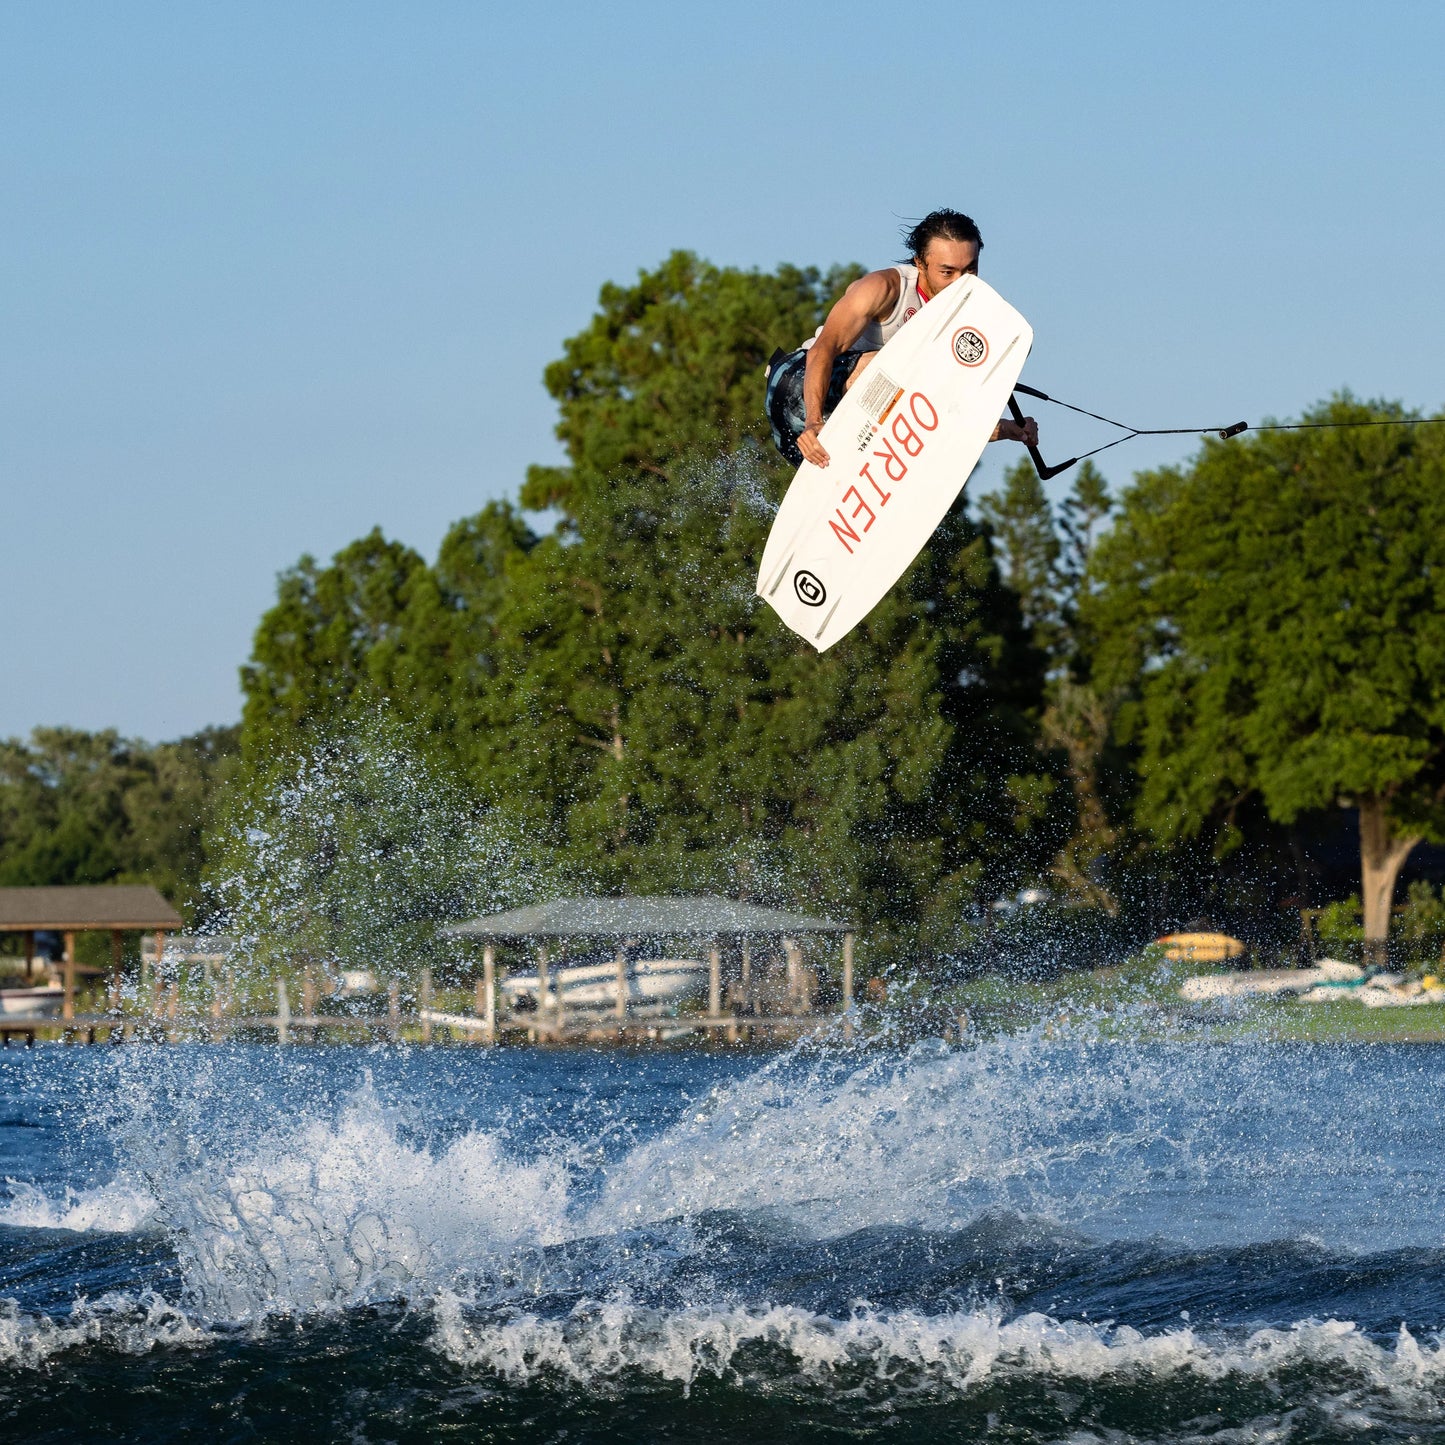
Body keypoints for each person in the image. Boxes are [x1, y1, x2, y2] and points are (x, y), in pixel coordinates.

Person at [765, 209, 1039, 467]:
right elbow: (824, 350)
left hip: (853, 421)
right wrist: (814, 421)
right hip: (797, 387)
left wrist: (1005, 429)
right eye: (947, 272)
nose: (960, 282)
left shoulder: (970, 320)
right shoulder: (884, 289)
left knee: (930, 409)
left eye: (969, 270)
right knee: (899, 370)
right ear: (920, 263)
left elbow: (944, 408)